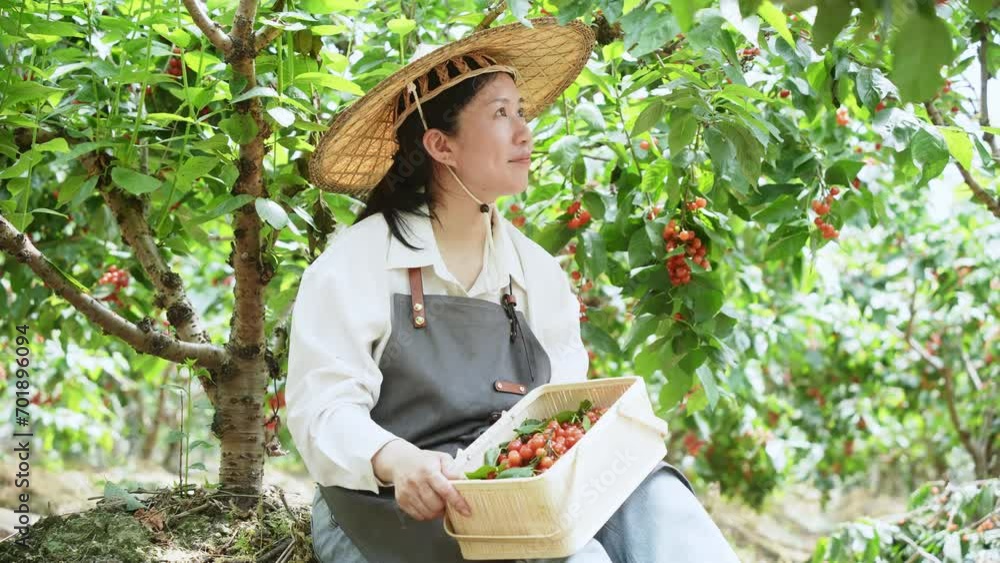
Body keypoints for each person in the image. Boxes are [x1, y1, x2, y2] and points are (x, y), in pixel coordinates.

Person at [287, 16, 741, 563]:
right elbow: (323, 410)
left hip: (516, 490)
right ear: (440, 145)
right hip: (389, 513)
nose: (525, 130)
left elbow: (561, 406)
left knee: (656, 495)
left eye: (521, 111)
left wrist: (615, 437)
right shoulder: (356, 264)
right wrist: (396, 459)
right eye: (501, 114)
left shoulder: (536, 273)